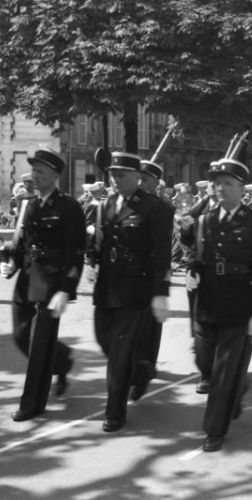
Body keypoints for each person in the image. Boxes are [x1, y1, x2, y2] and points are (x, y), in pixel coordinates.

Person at [185, 156, 252, 452]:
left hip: (240, 303)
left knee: (223, 371)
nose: (220, 188)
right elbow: (198, 255)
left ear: (241, 188)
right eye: (217, 183)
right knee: (205, 361)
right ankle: (237, 387)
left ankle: (214, 430)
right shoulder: (205, 220)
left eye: (228, 183)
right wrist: (192, 269)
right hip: (208, 302)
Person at [0, 148, 86, 421]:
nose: (34, 176)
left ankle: (32, 404)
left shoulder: (69, 207)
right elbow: (21, 243)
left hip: (51, 284)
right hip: (26, 280)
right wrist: (10, 261)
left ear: (55, 175)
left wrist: (66, 289)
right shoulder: (28, 204)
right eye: (33, 170)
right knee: (21, 337)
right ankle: (62, 360)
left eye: (40, 172)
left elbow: (75, 253)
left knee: (39, 345)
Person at [91, 152, 171, 432]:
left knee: (119, 352)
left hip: (136, 288)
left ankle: (115, 412)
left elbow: (162, 254)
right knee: (104, 341)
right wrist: (91, 263)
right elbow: (101, 243)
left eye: (121, 175)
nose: (115, 179)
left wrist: (161, 292)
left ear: (137, 177)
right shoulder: (106, 204)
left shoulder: (154, 207)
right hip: (107, 286)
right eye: (113, 175)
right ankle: (141, 369)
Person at [127, 159, 175, 400]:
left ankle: (146, 368)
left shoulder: (162, 207)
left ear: (156, 182)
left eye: (145, 179)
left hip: (151, 273)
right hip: (129, 275)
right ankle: (137, 367)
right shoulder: (127, 203)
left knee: (149, 328)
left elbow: (162, 246)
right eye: (138, 178)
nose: (140, 183)